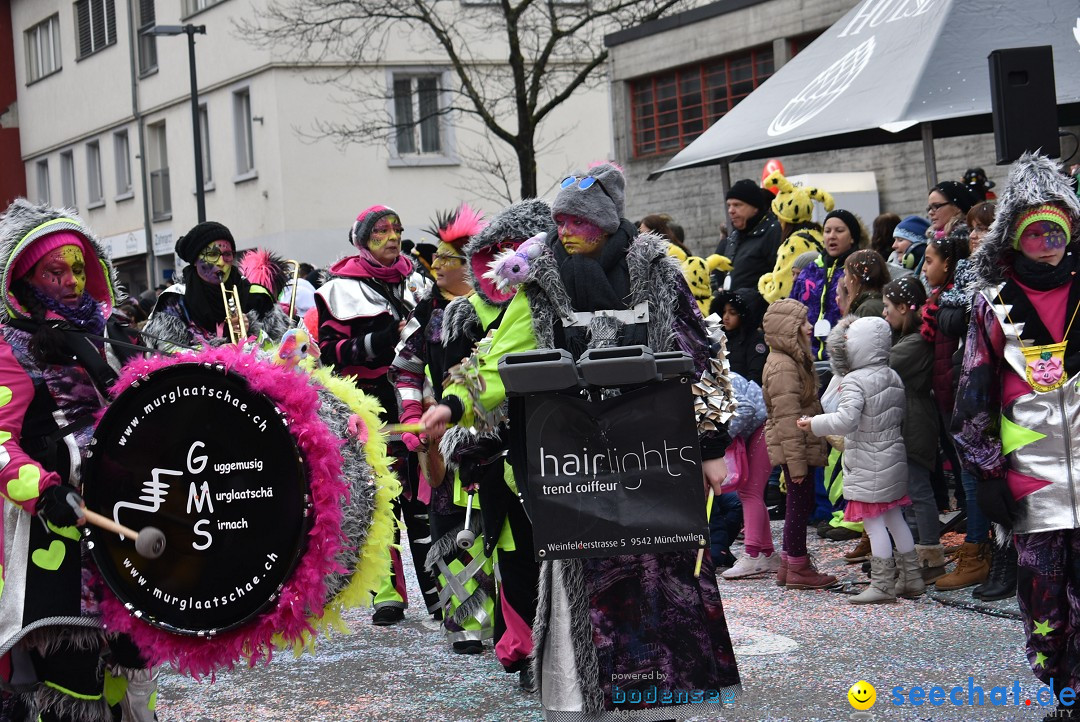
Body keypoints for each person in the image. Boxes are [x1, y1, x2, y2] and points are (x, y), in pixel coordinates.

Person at [423, 163, 741, 720]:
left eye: (577, 220)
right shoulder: (543, 278)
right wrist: (453, 405)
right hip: (573, 459)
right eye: (560, 218)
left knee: (656, 567)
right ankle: (584, 693)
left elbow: (698, 354)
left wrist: (710, 445)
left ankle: (656, 694)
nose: (563, 229)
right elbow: (504, 354)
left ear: (605, 222)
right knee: (582, 568)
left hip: (651, 454)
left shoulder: (655, 270)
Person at [0, 200, 157, 721]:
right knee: (75, 684)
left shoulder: (111, 337)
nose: (71, 281)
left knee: (136, 669)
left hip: (125, 522)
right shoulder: (10, 346)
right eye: (55, 271)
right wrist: (45, 489)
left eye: (78, 269)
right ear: (23, 279)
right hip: (57, 534)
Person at [952, 153, 1080, 716]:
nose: (1049, 244)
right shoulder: (994, 304)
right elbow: (973, 392)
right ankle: (1063, 692)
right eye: (1036, 235)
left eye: (1059, 230)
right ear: (1014, 240)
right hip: (1032, 478)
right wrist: (985, 474)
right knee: (1044, 596)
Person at [439, 198, 556, 692]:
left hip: (566, 450)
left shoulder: (551, 297)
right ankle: (522, 646)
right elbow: (465, 376)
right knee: (511, 551)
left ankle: (560, 648)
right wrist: (450, 417)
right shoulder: (461, 313)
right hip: (498, 454)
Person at [315, 205, 439, 627]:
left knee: (423, 496)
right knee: (380, 499)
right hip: (369, 404)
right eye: (381, 231)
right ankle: (387, 593)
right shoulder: (338, 289)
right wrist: (378, 341)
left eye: (397, 229)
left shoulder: (420, 280)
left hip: (416, 396)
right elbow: (329, 353)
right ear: (364, 240)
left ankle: (438, 589)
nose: (392, 236)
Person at [390, 204, 492, 652]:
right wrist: (413, 416)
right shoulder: (426, 311)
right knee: (449, 525)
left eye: (446, 259)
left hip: (492, 434)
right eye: (436, 259)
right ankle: (465, 623)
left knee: (494, 527)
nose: (436, 266)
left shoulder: (496, 306)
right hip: (440, 434)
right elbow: (405, 369)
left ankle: (504, 623)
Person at [798, 316, 917, 604]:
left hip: (868, 459)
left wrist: (814, 423)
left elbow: (846, 420)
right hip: (892, 455)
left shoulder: (854, 380)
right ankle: (912, 578)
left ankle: (883, 585)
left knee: (874, 523)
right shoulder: (892, 375)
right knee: (894, 518)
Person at [933, 199, 1000, 595]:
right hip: (965, 378)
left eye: (982, 228)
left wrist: (952, 305)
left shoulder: (996, 272)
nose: (973, 236)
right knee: (972, 475)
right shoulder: (969, 271)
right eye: (972, 228)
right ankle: (978, 549)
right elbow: (948, 315)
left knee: (986, 474)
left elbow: (956, 314)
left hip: (992, 384)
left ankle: (988, 553)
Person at [761, 298, 837, 590]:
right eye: (802, 323)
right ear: (787, 329)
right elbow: (786, 417)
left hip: (801, 444)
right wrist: (796, 464)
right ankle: (798, 566)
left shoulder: (790, 361)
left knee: (800, 502)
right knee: (797, 503)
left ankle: (788, 562)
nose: (809, 327)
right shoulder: (782, 366)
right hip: (796, 447)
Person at [882, 276, 945, 587]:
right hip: (907, 420)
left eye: (888, 307)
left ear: (905, 308)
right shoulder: (904, 338)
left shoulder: (915, 342)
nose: (884, 314)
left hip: (915, 422)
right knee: (907, 493)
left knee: (918, 491)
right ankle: (913, 553)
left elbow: (885, 367)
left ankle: (929, 555)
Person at [143, 221, 285, 350]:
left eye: (227, 254)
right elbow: (167, 354)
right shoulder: (175, 300)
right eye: (212, 254)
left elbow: (280, 351)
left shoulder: (257, 296)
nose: (221, 262)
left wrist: (252, 331)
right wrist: (215, 352)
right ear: (195, 260)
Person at [719, 369, 775, 579]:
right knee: (750, 492)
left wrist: (721, 440)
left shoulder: (717, 379)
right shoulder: (713, 378)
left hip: (764, 425)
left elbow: (746, 409)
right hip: (759, 426)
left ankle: (752, 555)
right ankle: (767, 554)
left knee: (750, 492)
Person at [790, 209, 863, 360]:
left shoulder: (859, 272)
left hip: (845, 358)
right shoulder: (809, 272)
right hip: (808, 358)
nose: (832, 236)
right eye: (827, 231)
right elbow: (791, 311)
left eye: (839, 230)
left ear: (852, 238)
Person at [758, 171, 833, 304]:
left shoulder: (793, 244)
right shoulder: (818, 235)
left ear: (784, 218)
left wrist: (765, 283)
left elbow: (781, 293)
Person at [717, 179, 782, 317]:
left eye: (737, 205)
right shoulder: (734, 236)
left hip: (759, 321)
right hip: (733, 320)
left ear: (755, 207)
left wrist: (751, 300)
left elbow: (779, 280)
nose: (731, 211)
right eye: (729, 205)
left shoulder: (773, 232)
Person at [712, 287, 766, 385]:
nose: (726, 317)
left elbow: (755, 376)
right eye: (724, 312)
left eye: (732, 313)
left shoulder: (755, 339)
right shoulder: (720, 337)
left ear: (744, 315)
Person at [843, 250, 890, 319]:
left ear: (855, 279)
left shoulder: (867, 310)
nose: (844, 283)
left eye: (845, 275)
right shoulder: (881, 303)